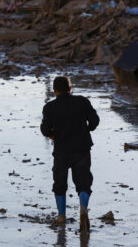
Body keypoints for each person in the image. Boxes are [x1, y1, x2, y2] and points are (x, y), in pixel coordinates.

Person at [41, 76, 99, 233]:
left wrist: (53, 135)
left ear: (54, 91)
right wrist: (87, 129)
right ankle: (83, 209)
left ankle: (61, 216)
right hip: (82, 148)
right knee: (83, 182)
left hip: (61, 151)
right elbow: (95, 120)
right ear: (70, 89)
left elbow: (45, 130)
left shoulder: (49, 107)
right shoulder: (82, 101)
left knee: (59, 183)